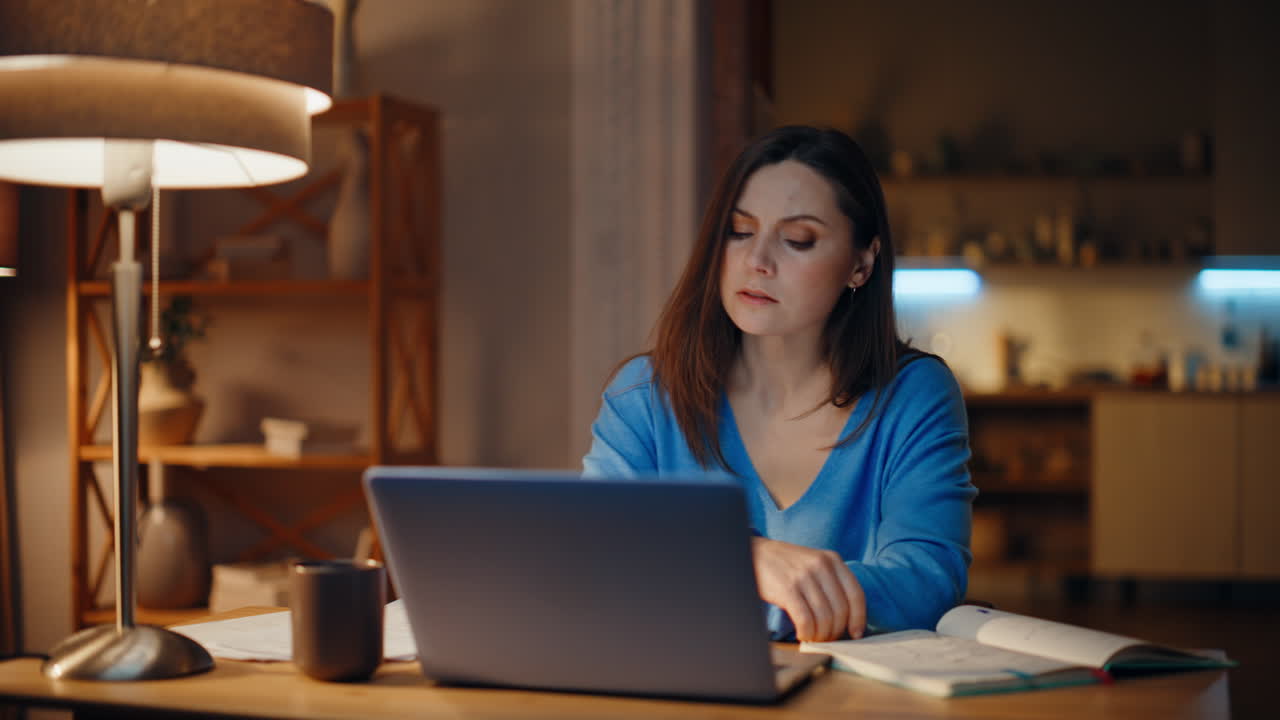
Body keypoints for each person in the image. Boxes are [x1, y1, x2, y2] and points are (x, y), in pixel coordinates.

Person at [581, 125, 976, 643]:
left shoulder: (913, 395)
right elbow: (593, 560)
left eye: (798, 240)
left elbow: (925, 583)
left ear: (861, 263)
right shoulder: (645, 397)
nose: (757, 261)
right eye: (738, 231)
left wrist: (721, 584)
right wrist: (746, 562)